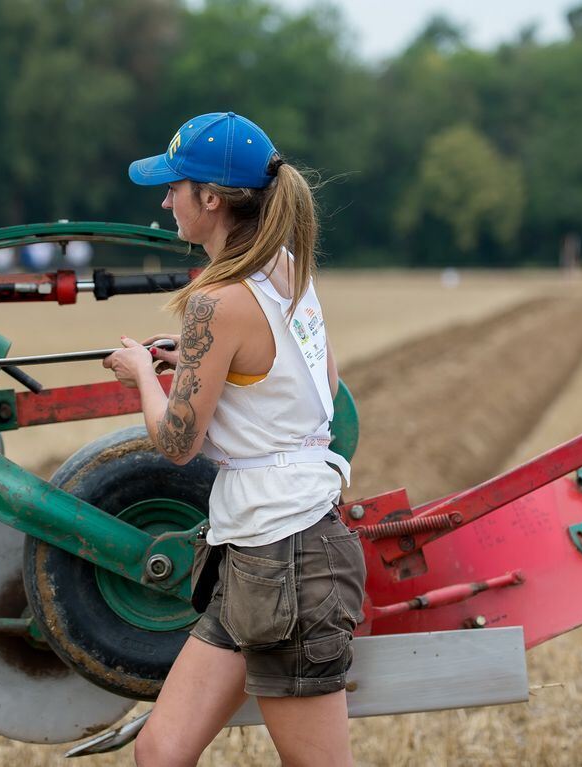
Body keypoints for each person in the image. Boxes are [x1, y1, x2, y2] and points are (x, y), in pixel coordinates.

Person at [103, 112, 366, 767]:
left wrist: (141, 372)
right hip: (251, 549)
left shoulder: (215, 300)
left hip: (287, 556)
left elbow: (176, 444)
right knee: (160, 752)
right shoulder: (288, 267)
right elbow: (321, 383)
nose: (166, 201)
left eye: (175, 187)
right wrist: (201, 368)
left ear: (211, 199)